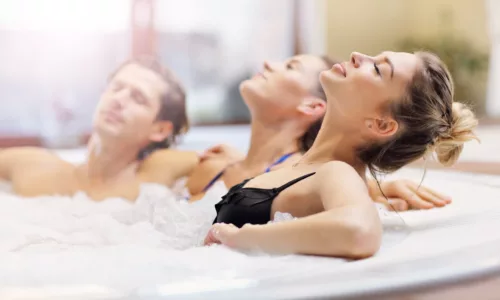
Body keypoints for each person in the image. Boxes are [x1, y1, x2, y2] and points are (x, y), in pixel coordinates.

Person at [204, 51, 478, 258]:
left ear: (381, 124)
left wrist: (245, 237)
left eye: (379, 70)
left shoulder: (337, 172)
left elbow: (360, 231)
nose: (358, 56)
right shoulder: (306, 167)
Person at [187, 54, 451, 211]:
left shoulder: (330, 175)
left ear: (313, 106)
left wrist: (373, 190)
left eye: (291, 67)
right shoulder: (221, 163)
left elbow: (355, 225)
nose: (268, 63)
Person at [0, 56, 199, 201]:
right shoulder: (31, 167)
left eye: (138, 98)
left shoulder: (156, 178)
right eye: (116, 88)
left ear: (160, 130)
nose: (119, 100)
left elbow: (226, 165)